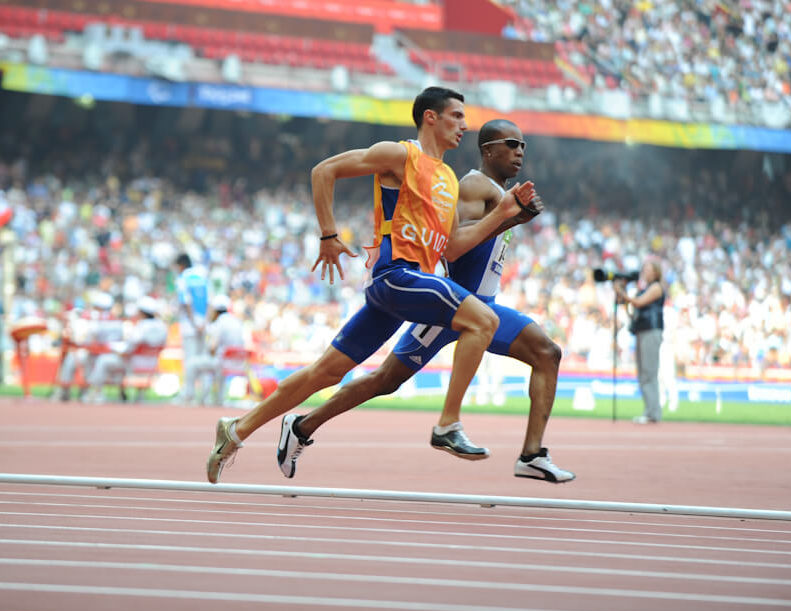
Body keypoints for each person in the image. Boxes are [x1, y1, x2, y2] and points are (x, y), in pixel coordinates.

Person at [206, 86, 537, 483]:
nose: (464, 126)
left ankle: (237, 429)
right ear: (430, 117)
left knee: (326, 373)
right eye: (456, 116)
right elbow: (323, 171)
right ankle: (448, 424)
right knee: (482, 320)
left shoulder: (449, 179)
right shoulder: (400, 154)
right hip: (396, 276)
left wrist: (504, 214)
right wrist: (328, 235)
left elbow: (451, 249)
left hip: (411, 286)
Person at [276, 119, 575, 482]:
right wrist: (507, 219)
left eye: (523, 146)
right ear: (488, 150)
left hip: (484, 307)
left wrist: (513, 217)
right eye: (511, 144)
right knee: (385, 380)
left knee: (547, 353)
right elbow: (454, 245)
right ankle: (302, 425)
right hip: (451, 309)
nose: (519, 152)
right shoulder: (473, 185)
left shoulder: (500, 192)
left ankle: (532, 454)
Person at [84, 296, 168, 403]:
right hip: (152, 364)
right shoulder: (162, 327)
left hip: (134, 364)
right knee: (116, 361)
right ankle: (136, 395)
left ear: (142, 312)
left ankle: (95, 392)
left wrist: (117, 348)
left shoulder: (141, 326)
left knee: (104, 360)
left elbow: (129, 347)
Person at [614, 259, 666, 424]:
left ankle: (653, 412)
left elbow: (638, 303)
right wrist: (623, 298)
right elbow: (634, 311)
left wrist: (622, 293)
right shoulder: (644, 289)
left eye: (649, 268)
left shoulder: (656, 288)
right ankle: (650, 410)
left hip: (651, 331)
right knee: (643, 372)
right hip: (642, 331)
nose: (645, 271)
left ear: (656, 272)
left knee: (649, 372)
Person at [188, 294, 246, 405]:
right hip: (238, 362)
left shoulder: (219, 323)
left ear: (215, 311)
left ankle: (189, 397)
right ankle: (216, 399)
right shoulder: (237, 321)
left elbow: (213, 348)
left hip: (222, 363)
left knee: (192, 364)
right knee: (210, 364)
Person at [174, 252, 209, 405]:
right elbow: (210, 302)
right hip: (204, 324)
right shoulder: (203, 276)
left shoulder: (183, 279)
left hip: (190, 325)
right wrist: (204, 323)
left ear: (180, 265)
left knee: (190, 360)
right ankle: (205, 395)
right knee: (203, 359)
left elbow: (186, 302)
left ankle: (188, 394)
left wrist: (194, 323)